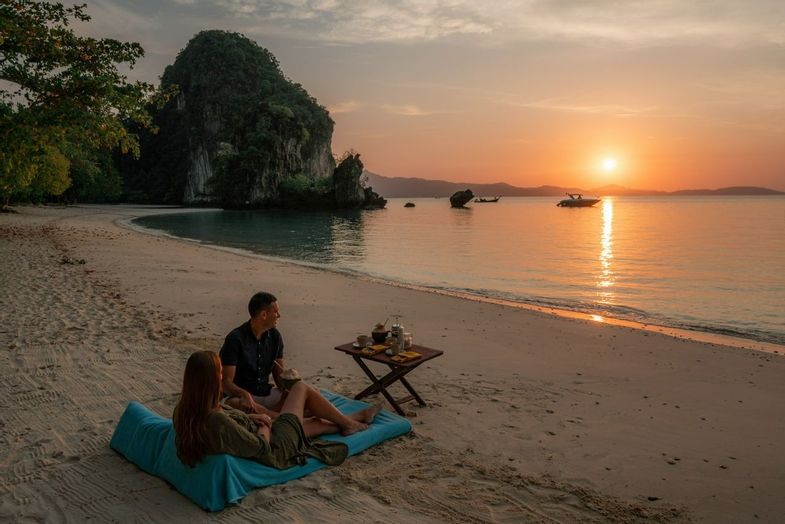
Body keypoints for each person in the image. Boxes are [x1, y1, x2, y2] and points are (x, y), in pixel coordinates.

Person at [173, 351, 380, 469]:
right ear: (210, 380)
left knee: (316, 425)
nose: (221, 377)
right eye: (219, 373)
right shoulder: (216, 421)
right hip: (275, 447)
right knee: (301, 388)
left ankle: (352, 420)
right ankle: (350, 423)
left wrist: (253, 416)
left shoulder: (184, 409)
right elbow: (261, 447)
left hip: (259, 431)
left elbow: (223, 418)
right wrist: (265, 423)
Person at [219, 291, 287, 416]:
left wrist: (289, 388)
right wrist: (244, 394)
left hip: (265, 393)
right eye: (276, 312)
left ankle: (275, 414)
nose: (279, 315)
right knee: (236, 404)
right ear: (264, 314)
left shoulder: (275, 337)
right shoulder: (236, 339)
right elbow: (226, 382)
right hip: (240, 398)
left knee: (304, 395)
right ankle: (278, 416)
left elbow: (279, 376)